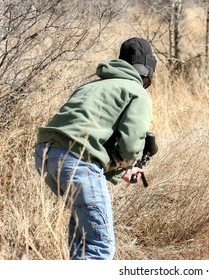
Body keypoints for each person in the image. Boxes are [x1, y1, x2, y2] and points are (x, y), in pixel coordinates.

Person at [34, 37, 156, 260]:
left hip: (45, 154)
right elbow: (130, 144)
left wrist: (118, 171)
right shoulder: (137, 92)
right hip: (77, 162)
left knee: (82, 243)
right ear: (147, 70)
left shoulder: (91, 85)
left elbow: (83, 137)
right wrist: (128, 164)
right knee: (99, 247)